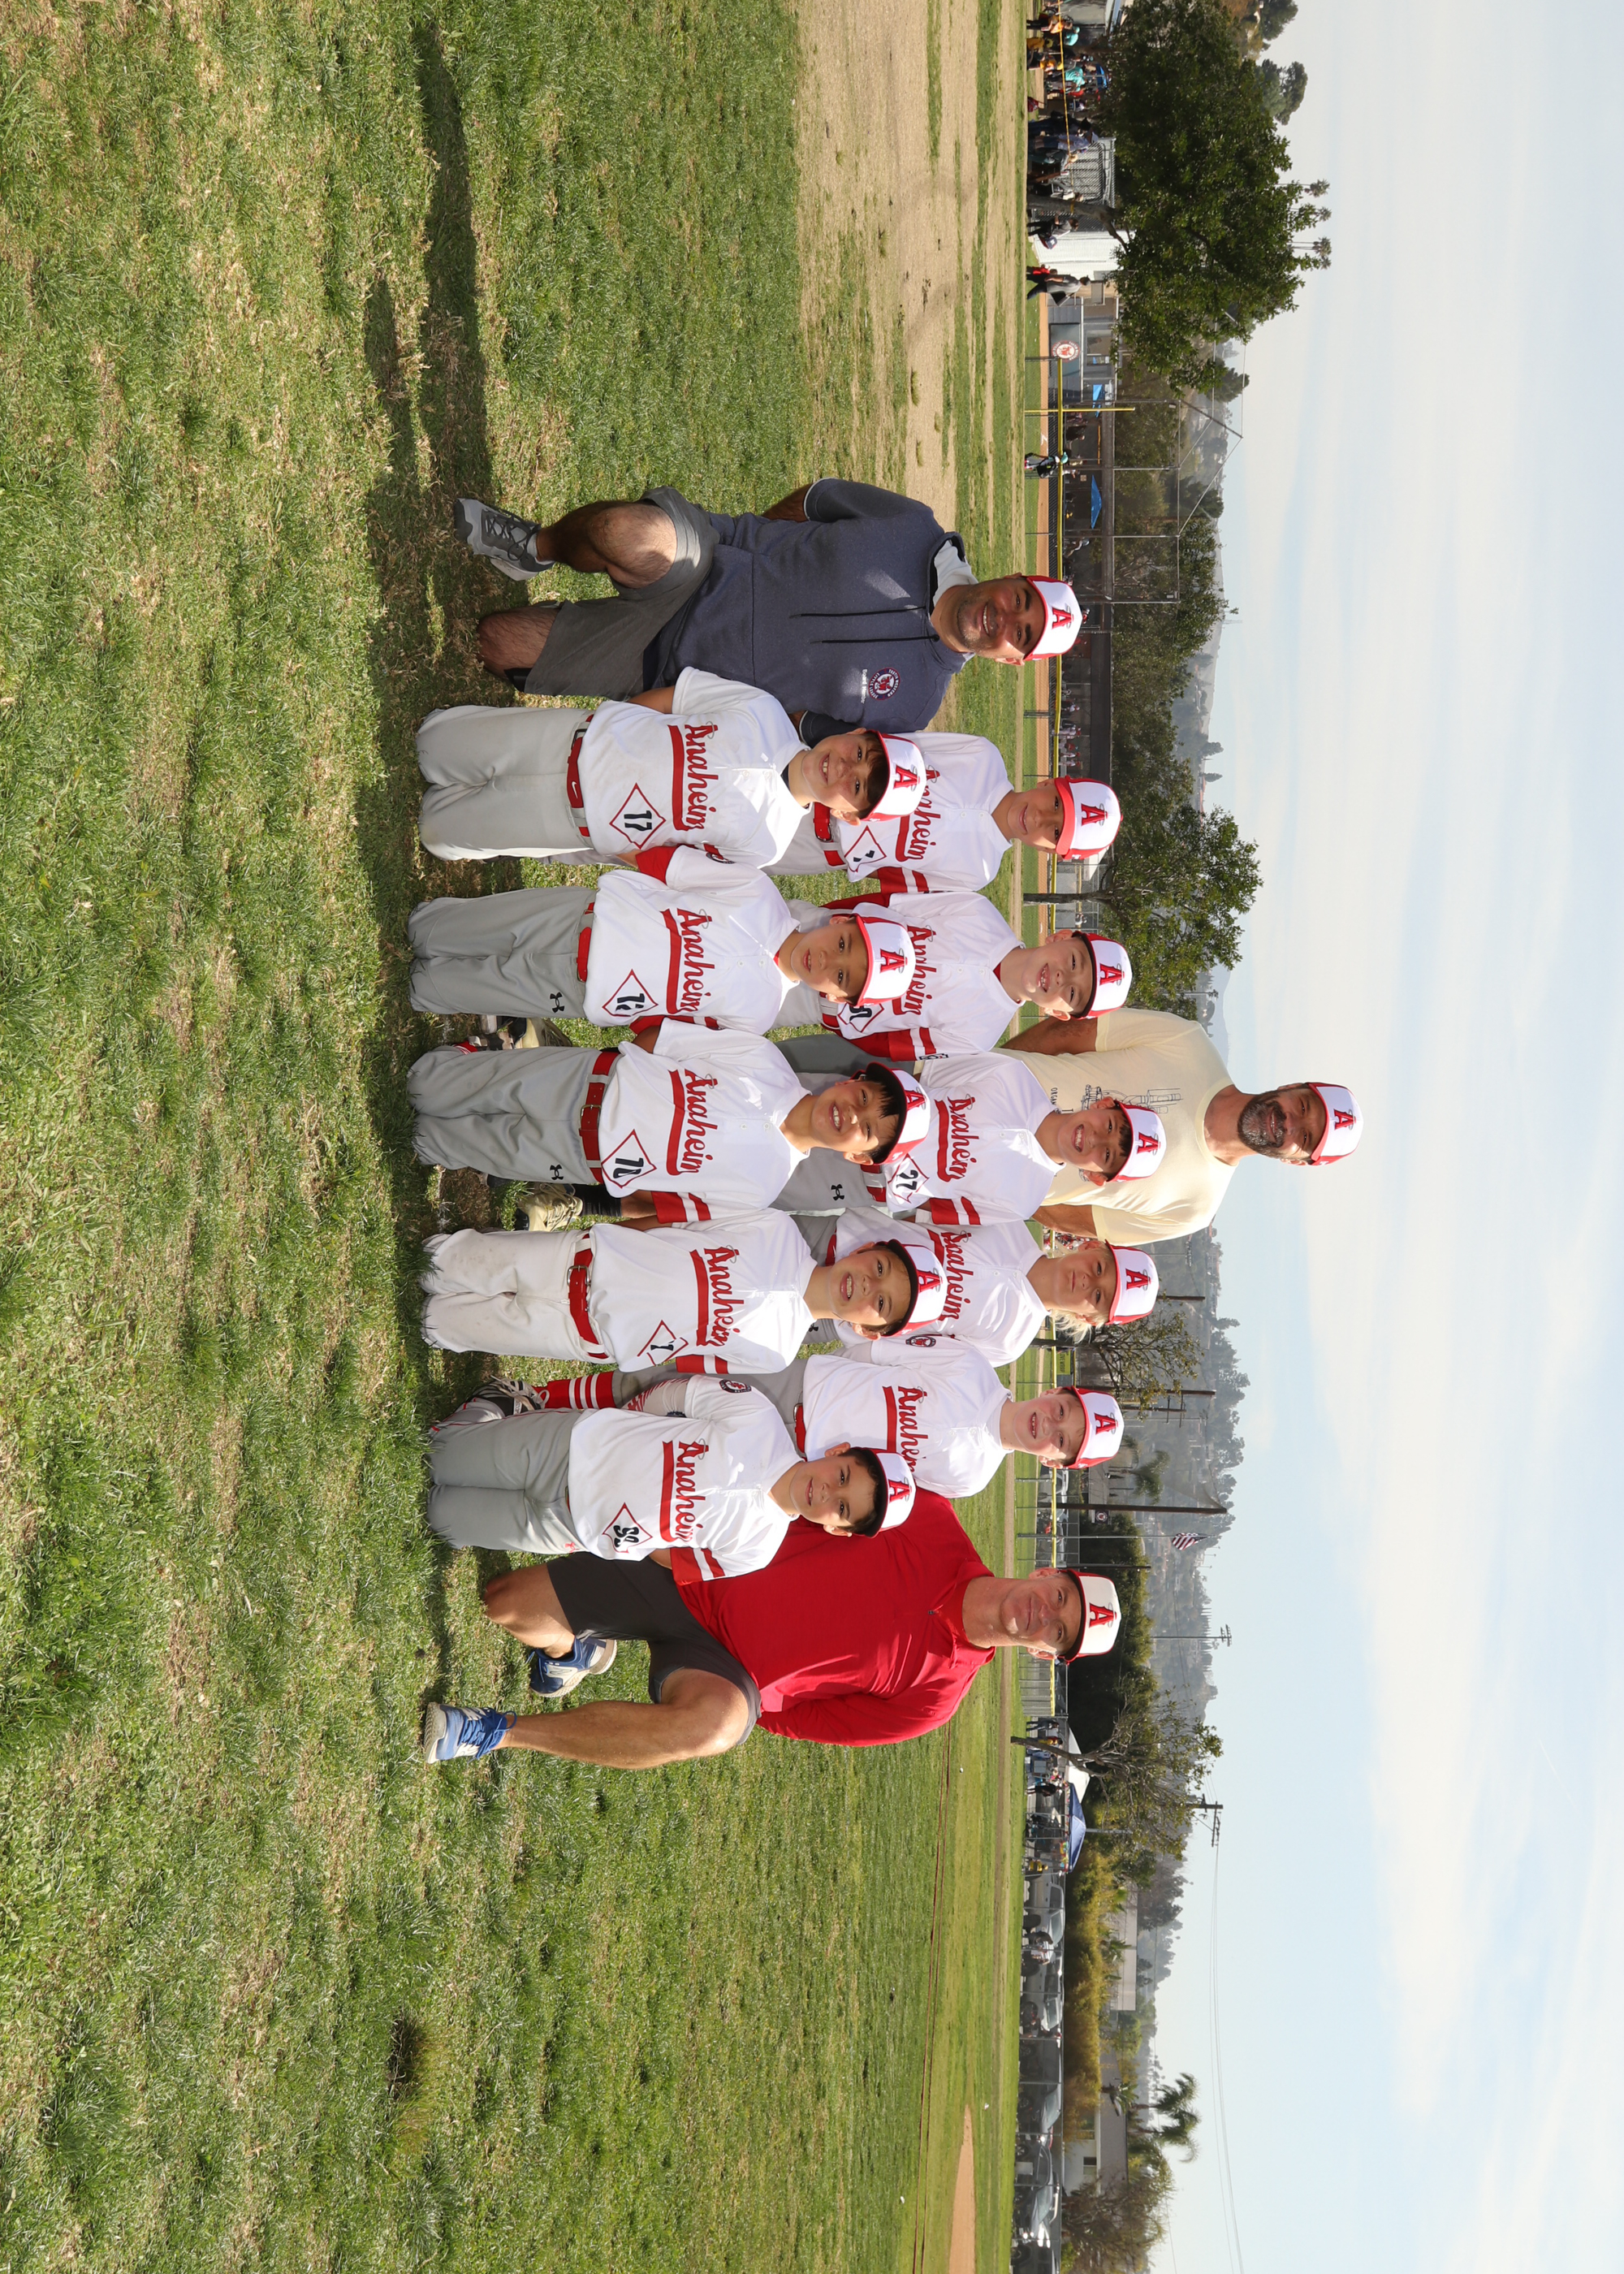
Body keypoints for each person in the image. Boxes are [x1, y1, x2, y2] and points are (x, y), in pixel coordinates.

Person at [419, 1506, 1124, 1766]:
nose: (1044, 1613)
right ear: (1046, 1571)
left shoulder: (934, 1702)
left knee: (717, 1728)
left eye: (1058, 1632)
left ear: (1045, 1654)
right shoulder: (929, 1519)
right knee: (505, 1604)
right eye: (1059, 1596)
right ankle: (572, 1648)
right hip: (692, 1571)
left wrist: (749, 1690)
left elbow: (802, 1722)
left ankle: (495, 1733)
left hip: (720, 1667)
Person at [455, 479, 1083, 736]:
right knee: (623, 533)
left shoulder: (913, 708)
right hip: (705, 564)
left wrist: (687, 706)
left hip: (674, 676)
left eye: (1022, 635)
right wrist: (747, 554)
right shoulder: (914, 526)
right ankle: (535, 548)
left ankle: (573, 631)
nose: (1007, 619)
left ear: (1012, 660)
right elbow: (815, 502)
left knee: (495, 643)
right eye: (1020, 600)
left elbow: (795, 731)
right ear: (1013, 578)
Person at [415, 670, 923, 867]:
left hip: (572, 820)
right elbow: (673, 700)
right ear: (857, 733)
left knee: (435, 832)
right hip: (567, 740)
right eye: (860, 754)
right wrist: (611, 726)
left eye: (858, 788)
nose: (844, 769)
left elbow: (672, 861)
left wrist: (605, 839)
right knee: (431, 743)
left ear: (848, 816)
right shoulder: (764, 710)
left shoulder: (768, 843)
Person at [423, 1374, 914, 1576]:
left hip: (571, 1527)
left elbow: (678, 1560)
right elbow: (676, 1395)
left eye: (842, 1507)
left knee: (440, 1517)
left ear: (836, 1529)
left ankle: (491, 1421)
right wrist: (631, 1422)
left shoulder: (758, 1550)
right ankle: (495, 1409)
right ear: (839, 1451)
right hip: (570, 1447)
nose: (827, 1491)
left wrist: (630, 1537)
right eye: (843, 1475)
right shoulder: (758, 1416)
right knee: (435, 1457)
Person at [408, 1022, 914, 1211]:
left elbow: (668, 1202)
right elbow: (663, 1040)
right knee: (426, 1085)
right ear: (848, 1081)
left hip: (584, 1158)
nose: (853, 1116)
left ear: (859, 1158)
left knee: (434, 1142)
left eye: (868, 1131)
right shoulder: (766, 1062)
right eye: (863, 1097)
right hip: (585, 1081)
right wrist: (623, 1078)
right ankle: (455, 1069)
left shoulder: (764, 1187)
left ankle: (439, 1138)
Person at [404, 854, 918, 1034]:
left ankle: (421, 986)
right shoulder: (759, 892)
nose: (826, 959)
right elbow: (667, 866)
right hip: (581, 918)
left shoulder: (759, 1016)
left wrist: (623, 1012)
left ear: (833, 998)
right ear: (837, 919)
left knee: (440, 989)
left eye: (841, 976)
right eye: (843, 942)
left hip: (581, 990)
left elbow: (673, 1031)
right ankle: (420, 932)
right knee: (445, 927)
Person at [1000, 1007, 1364, 1243]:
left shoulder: (1195, 1209)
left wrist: (1001, 1187)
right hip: (984, 1087)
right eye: (1303, 1105)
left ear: (1296, 1161)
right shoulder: (1187, 1042)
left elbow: (1071, 1219)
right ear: (1291, 1086)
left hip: (983, 1173)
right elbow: (1062, 1034)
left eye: (1305, 1137)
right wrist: (1000, 1065)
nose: (1289, 1123)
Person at [417, 1205, 944, 1367]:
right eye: (879, 1268)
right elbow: (679, 1222)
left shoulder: (778, 1351)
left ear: (868, 1331)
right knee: (442, 1261)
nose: (867, 1286)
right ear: (864, 1249)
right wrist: (609, 1237)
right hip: (579, 1261)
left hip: (583, 1334)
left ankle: (439, 1322)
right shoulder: (777, 1228)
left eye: (881, 1303)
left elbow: (689, 1358)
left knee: (441, 1325)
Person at [607, 1343, 1125, 1499]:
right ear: (1055, 1392)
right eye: (1063, 1412)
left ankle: (596, 1435)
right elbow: (874, 1352)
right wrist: (825, 1380)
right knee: (675, 1381)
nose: (1049, 1426)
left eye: (1063, 1442)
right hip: (799, 1387)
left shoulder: (972, 1477)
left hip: (795, 1461)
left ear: (1055, 1464)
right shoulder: (973, 1368)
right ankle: (578, 1396)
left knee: (677, 1444)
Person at [776, 1043, 1167, 1222]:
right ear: (1103, 1104)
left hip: (862, 1179)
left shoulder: (1024, 1200)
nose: (1095, 1139)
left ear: (1097, 1177)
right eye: (1110, 1126)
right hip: (852, 1113)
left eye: (1107, 1155)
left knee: (765, 1182)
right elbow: (923, 1075)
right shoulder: (1014, 1076)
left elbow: (934, 1211)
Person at [797, 1199, 1158, 1365]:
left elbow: (915, 1352)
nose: (1087, 1281)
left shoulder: (1010, 1342)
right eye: (1099, 1267)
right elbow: (919, 1211)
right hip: (836, 1239)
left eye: (1099, 1296)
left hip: (836, 1318)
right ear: (1090, 1246)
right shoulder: (1009, 1221)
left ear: (1088, 1318)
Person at [790, 897, 1132, 1059]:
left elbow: (894, 1045)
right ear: (1061, 936)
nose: (1061, 978)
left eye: (1072, 994)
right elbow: (887, 904)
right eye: (1073, 962)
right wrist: (831, 919)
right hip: (818, 934)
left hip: (825, 1005)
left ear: (1058, 1014)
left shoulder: (980, 1036)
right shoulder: (979, 911)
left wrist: (837, 1018)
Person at [769, 736, 1121, 893]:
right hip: (823, 780)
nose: (1042, 818)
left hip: (822, 850)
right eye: (1056, 804)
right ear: (1047, 782)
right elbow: (895, 746)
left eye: (1056, 833)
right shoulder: (982, 756)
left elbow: (895, 879)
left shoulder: (980, 871)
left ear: (1048, 852)